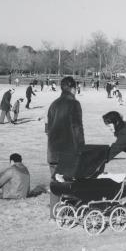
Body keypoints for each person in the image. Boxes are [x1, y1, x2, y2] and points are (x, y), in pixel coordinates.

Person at [47, 76, 85, 217]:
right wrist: (81, 148)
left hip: (52, 152)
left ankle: (53, 215)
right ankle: (70, 212)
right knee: (71, 182)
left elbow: (48, 129)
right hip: (68, 152)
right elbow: (77, 128)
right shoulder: (74, 104)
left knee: (55, 183)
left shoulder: (54, 104)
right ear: (72, 88)